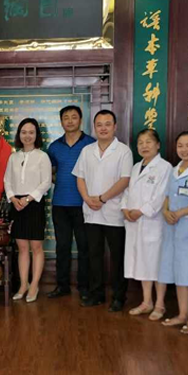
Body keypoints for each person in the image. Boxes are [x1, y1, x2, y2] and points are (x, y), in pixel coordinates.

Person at [73, 110, 132, 311]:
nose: (103, 128)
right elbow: (80, 177)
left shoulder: (123, 151)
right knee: (94, 256)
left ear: (115, 127)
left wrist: (102, 198)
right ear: (94, 127)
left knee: (117, 257)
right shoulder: (86, 150)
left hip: (114, 213)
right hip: (91, 212)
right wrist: (87, 198)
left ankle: (119, 297)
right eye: (99, 124)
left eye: (107, 124)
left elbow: (125, 180)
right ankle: (96, 294)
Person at [155, 131, 188, 332]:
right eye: (180, 146)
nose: (184, 150)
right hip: (172, 227)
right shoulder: (174, 170)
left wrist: (181, 212)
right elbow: (167, 196)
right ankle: (182, 314)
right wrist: (166, 211)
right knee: (179, 272)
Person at [122, 129, 172, 318]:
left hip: (152, 222)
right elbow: (127, 191)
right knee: (143, 263)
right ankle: (146, 301)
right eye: (140, 142)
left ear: (158, 145)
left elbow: (162, 195)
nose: (144, 146)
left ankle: (160, 304)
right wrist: (125, 209)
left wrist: (141, 211)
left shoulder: (165, 167)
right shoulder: (136, 167)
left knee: (156, 265)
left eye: (148, 142)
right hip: (134, 222)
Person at [47, 105, 95, 300]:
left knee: (84, 247)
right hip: (60, 203)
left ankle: (84, 287)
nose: (70, 121)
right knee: (62, 247)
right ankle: (62, 286)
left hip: (84, 203)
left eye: (74, 117)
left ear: (80, 120)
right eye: (66, 118)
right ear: (61, 122)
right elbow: (51, 173)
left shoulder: (91, 144)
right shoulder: (54, 147)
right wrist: (62, 181)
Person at [4, 118, 52, 302]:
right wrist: (12, 198)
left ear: (36, 135)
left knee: (36, 247)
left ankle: (34, 285)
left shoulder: (42, 156)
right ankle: (23, 284)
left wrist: (28, 198)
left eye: (31, 132)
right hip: (16, 204)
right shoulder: (13, 157)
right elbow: (7, 180)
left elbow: (46, 182)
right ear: (19, 135)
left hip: (34, 204)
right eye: (24, 132)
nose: (27, 136)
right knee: (22, 247)